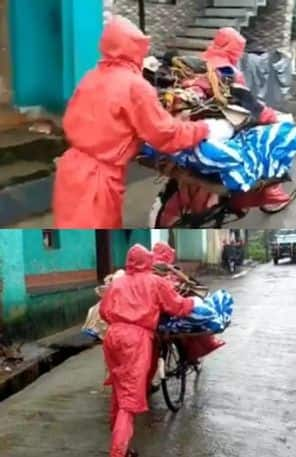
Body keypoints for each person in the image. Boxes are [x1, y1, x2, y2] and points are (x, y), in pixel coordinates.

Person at [52, 16, 221, 229]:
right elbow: (166, 134)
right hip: (97, 182)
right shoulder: (135, 87)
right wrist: (203, 128)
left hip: (71, 171)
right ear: (135, 49)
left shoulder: (91, 77)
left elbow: (81, 119)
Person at [100, 244, 196, 457]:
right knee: (129, 397)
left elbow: (104, 311)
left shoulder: (118, 283)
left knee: (119, 388)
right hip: (136, 340)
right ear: (147, 261)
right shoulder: (155, 282)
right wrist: (192, 303)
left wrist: (120, 321)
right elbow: (176, 306)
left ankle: (118, 436)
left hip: (113, 337)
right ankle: (118, 451)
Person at [199, 27, 290, 210]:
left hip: (203, 116)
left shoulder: (202, 61)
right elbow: (249, 104)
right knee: (273, 137)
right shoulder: (228, 72)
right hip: (223, 122)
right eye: (238, 50)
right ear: (233, 49)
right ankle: (270, 188)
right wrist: (271, 116)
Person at [152, 242, 225, 368]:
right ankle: (188, 358)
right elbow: (178, 298)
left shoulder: (146, 268)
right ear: (168, 254)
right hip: (169, 308)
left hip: (151, 317)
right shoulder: (170, 270)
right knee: (185, 328)